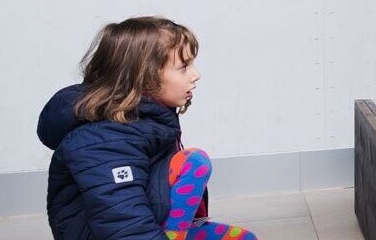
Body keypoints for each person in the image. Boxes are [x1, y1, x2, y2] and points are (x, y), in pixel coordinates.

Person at [38, 17, 257, 240]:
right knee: (193, 163)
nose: (195, 75)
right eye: (183, 67)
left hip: (144, 224)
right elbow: (123, 220)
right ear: (145, 77)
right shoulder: (104, 137)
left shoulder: (144, 119)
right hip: (110, 234)